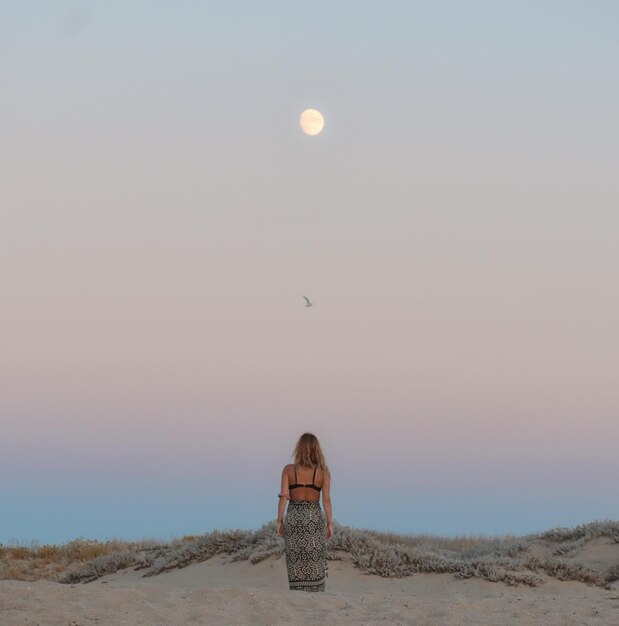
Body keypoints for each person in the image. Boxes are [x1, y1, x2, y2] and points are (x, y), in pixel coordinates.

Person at [277, 432, 333, 592]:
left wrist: (279, 521)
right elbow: (327, 500)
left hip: (294, 517)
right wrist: (330, 524)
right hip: (313, 517)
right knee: (314, 558)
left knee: (296, 559)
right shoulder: (323, 472)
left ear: (299, 449)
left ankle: (297, 591)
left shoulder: (288, 470)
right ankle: (315, 592)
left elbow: (283, 497)